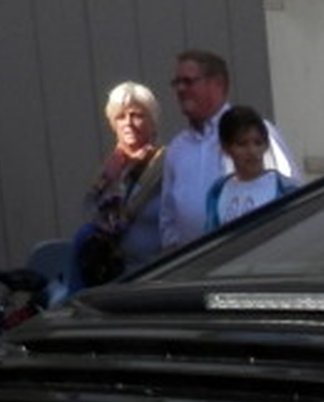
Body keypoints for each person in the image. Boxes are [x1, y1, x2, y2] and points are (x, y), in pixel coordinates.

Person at [158, 48, 296, 251]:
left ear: (217, 84)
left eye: (187, 81)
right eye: (176, 82)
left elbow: (293, 200)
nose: (180, 89)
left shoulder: (256, 133)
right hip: (193, 268)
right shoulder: (177, 149)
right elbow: (168, 217)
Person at [70, 81, 167, 287]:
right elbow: (89, 209)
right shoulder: (110, 170)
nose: (128, 123)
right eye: (120, 117)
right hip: (110, 274)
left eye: (137, 115)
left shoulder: (165, 164)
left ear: (153, 121)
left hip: (153, 273)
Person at [204, 106, 295, 229]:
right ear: (226, 148)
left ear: (266, 144)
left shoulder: (285, 189)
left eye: (258, 143)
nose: (252, 151)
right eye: (242, 144)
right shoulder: (217, 192)